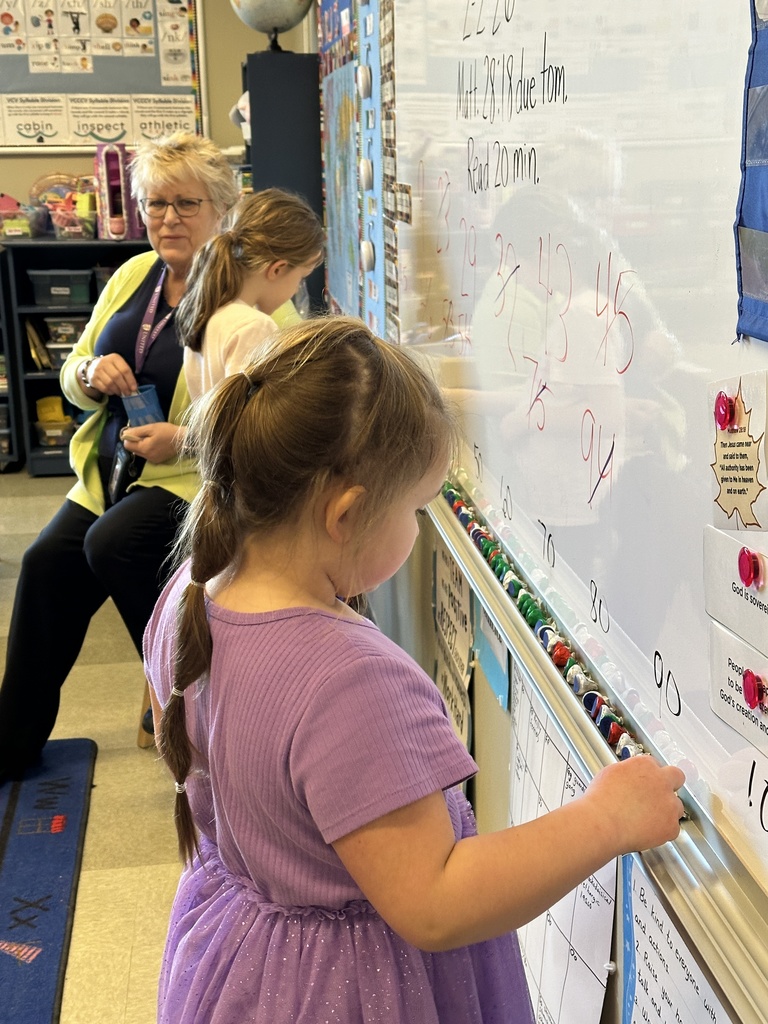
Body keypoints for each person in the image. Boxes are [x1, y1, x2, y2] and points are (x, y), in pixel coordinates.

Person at [143, 316, 685, 1024]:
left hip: (238, 958)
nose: (419, 525)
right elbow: (436, 901)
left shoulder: (189, 592)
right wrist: (605, 819)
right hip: (347, 992)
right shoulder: (349, 680)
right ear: (346, 514)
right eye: (417, 508)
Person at [0, 132, 287, 781]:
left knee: (115, 544)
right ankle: (12, 746)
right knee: (46, 565)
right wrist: (88, 374)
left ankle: (188, 717)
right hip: (111, 475)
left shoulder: (256, 294)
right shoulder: (136, 274)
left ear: (222, 210)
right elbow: (73, 370)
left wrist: (183, 439)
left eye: (186, 204)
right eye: (156, 204)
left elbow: (275, 418)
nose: (168, 219)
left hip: (196, 481)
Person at [175, 187, 324, 401]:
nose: (296, 289)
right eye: (301, 278)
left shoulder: (208, 313)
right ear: (277, 269)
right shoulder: (254, 327)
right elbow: (253, 413)